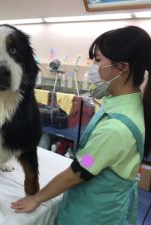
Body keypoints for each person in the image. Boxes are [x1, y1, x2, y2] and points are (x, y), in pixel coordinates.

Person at [11, 25, 151, 225]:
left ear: (122, 67)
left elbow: (77, 172)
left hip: (90, 215)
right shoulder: (130, 104)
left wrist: (36, 198)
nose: (93, 67)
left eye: (98, 60)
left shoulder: (116, 129)